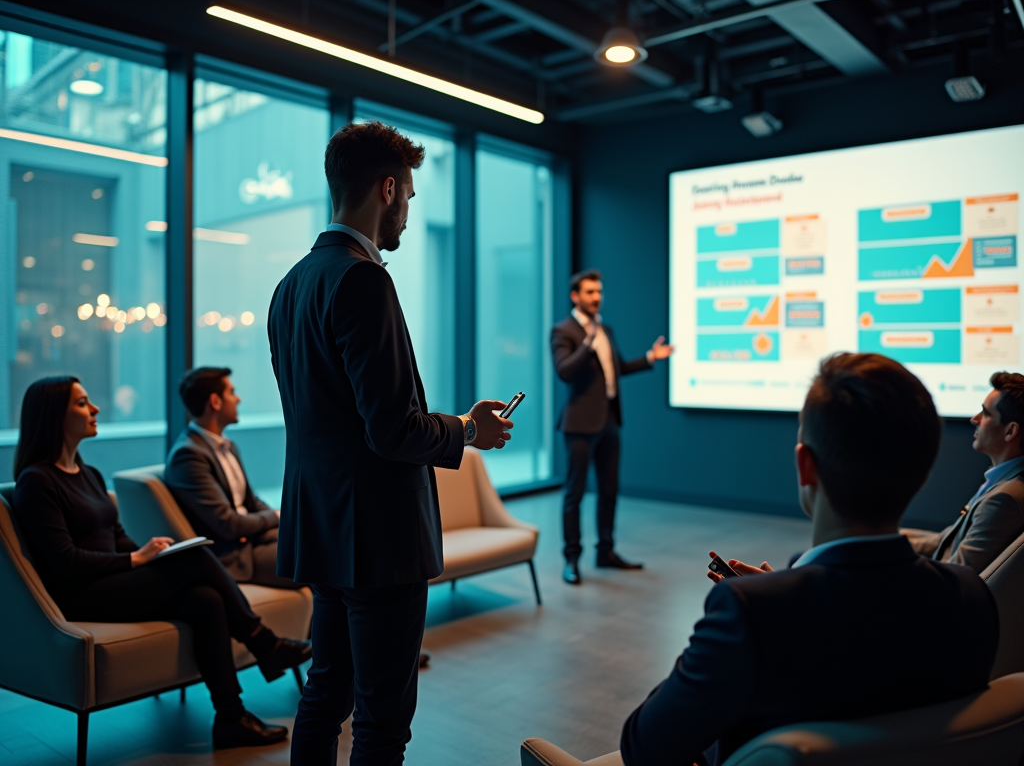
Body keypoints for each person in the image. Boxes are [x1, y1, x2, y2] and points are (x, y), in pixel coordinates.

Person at [268, 121, 512, 765]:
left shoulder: (291, 285)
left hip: (324, 529)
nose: (407, 210)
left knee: (325, 696)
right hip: (378, 540)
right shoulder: (364, 279)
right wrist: (467, 429)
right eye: (407, 194)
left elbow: (337, 419)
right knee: (382, 722)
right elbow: (392, 430)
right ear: (387, 189)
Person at [621, 353, 998, 766]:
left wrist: (739, 618)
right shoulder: (973, 598)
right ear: (922, 476)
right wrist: (783, 585)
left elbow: (643, 747)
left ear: (805, 465)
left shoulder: (750, 616)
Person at [11, 376, 312, 749]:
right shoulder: (36, 481)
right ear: (55, 415)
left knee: (207, 600)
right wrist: (136, 559)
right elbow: (64, 562)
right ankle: (263, 642)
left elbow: (116, 533)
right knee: (198, 559)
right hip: (81, 593)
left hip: (111, 580)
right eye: (83, 403)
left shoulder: (88, 473)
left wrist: (148, 551)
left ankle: (231, 718)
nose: (95, 409)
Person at [551, 269, 674, 585]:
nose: (596, 297)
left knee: (609, 491)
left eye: (599, 292)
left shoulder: (606, 328)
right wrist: (588, 343)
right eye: (590, 292)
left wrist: (650, 357)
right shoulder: (563, 330)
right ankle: (572, 560)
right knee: (574, 494)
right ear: (575, 296)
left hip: (608, 421)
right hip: (578, 424)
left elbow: (616, 368)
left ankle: (605, 552)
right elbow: (564, 371)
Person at [164, 367, 300, 589]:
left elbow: (251, 502)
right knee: (316, 561)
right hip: (235, 556)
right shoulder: (188, 455)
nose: (238, 399)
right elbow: (228, 524)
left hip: (254, 540)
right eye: (232, 392)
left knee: (321, 546)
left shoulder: (227, 446)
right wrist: (276, 516)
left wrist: (282, 519)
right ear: (215, 401)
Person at [903, 371, 1024, 573]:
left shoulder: (1004, 498)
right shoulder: (1001, 481)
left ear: (1010, 431)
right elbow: (944, 540)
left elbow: (959, 572)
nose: (974, 419)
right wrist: (887, 538)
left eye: (985, 413)